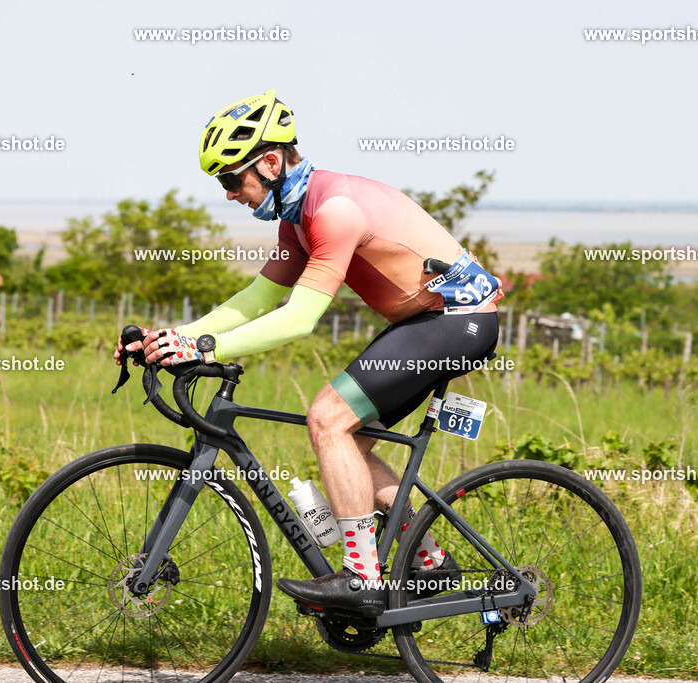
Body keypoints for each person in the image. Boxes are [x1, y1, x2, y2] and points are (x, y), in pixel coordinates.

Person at [114, 89, 502, 616]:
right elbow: (256, 300)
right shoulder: (296, 217)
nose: (229, 194)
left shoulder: (333, 210)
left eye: (231, 179)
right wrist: (173, 336)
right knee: (353, 445)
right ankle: (430, 562)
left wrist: (204, 346)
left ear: (270, 163)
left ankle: (361, 580)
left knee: (327, 419)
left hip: (456, 322)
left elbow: (299, 318)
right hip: (426, 320)